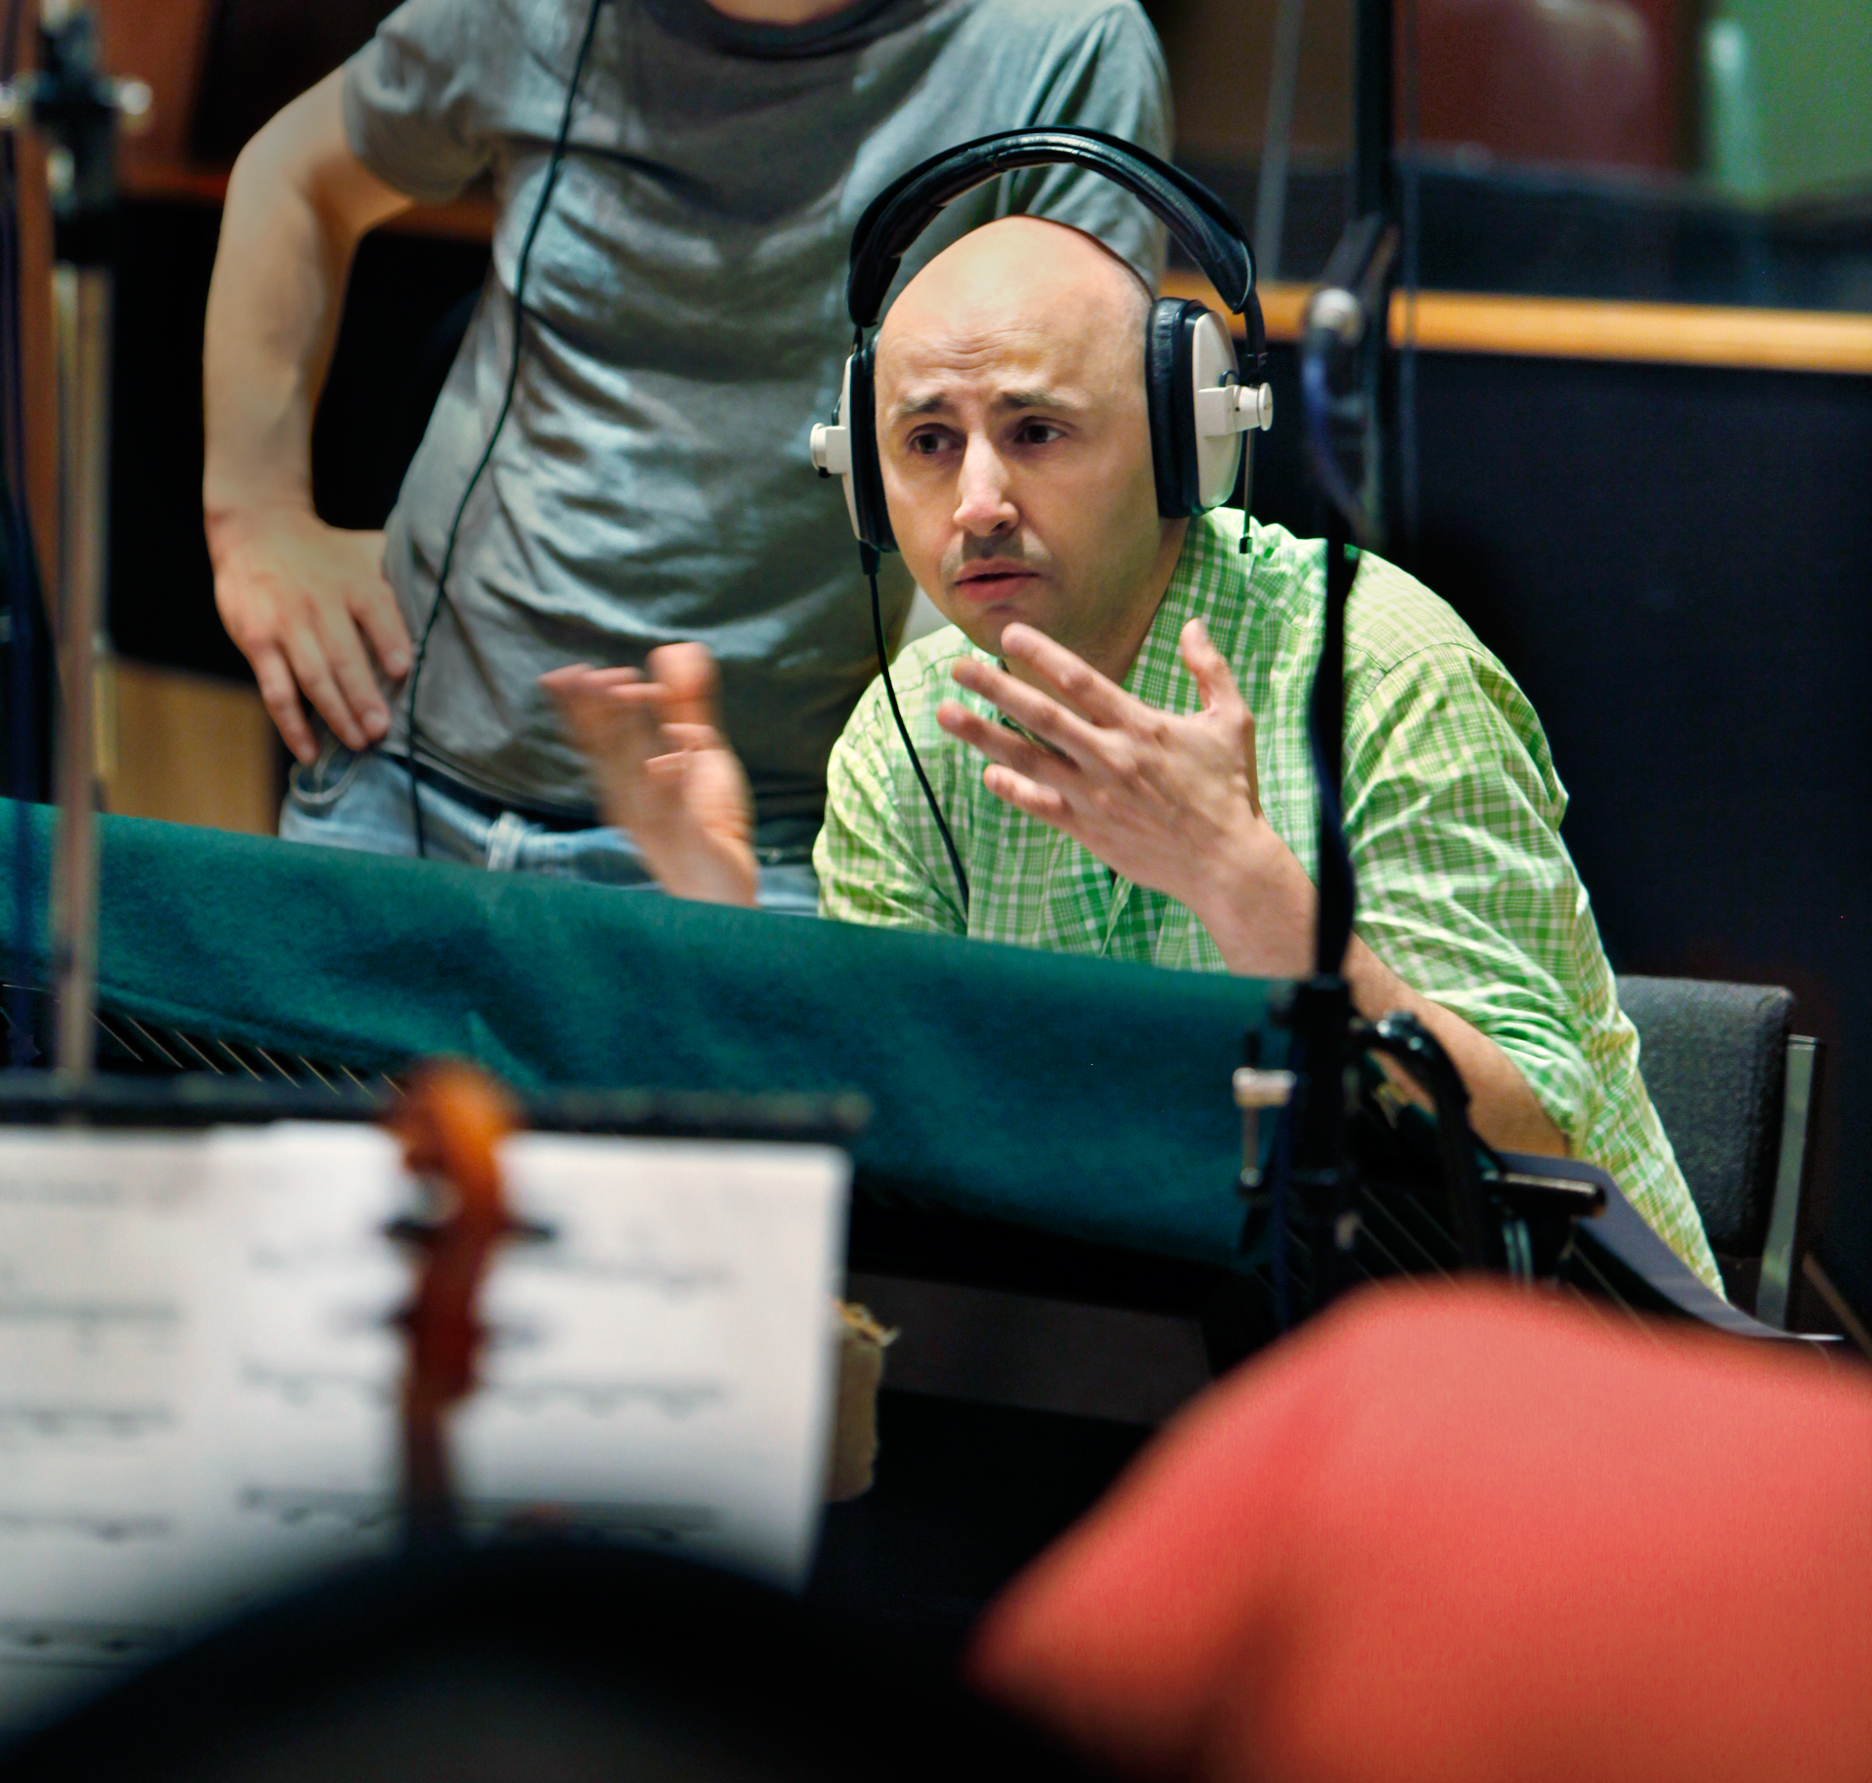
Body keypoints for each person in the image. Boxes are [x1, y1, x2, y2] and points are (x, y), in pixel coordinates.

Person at [545, 214, 1721, 1287]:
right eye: (927, 442)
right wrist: (721, 925)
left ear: (1180, 439)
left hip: (1559, 1368)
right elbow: (904, 1154)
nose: (979, 501)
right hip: (1158, 1355)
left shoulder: (1382, 671)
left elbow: (1532, 1142)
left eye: (1037, 431)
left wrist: (1247, 889)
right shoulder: (902, 747)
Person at [202, 0, 1170, 908]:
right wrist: (253, 515)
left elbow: (1071, 465)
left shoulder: (1060, 42)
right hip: (398, 786)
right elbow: (296, 173)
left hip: (775, 848)